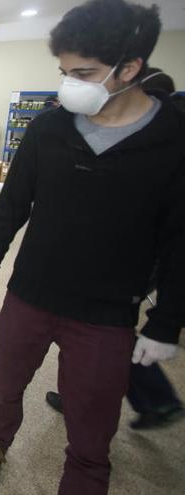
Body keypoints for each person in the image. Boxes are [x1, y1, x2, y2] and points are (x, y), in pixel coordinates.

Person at [0, 1, 184, 493]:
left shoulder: (173, 140)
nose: (70, 86)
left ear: (130, 68)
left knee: (91, 415)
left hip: (106, 314)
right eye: (64, 72)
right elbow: (12, 206)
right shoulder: (49, 129)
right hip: (30, 296)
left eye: (83, 73)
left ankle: (85, 474)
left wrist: (167, 321)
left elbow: (179, 240)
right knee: (6, 384)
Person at [44, 67, 184, 431]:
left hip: (134, 256)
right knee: (105, 325)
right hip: (127, 255)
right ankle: (151, 397)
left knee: (105, 326)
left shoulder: (160, 142)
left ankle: (146, 397)